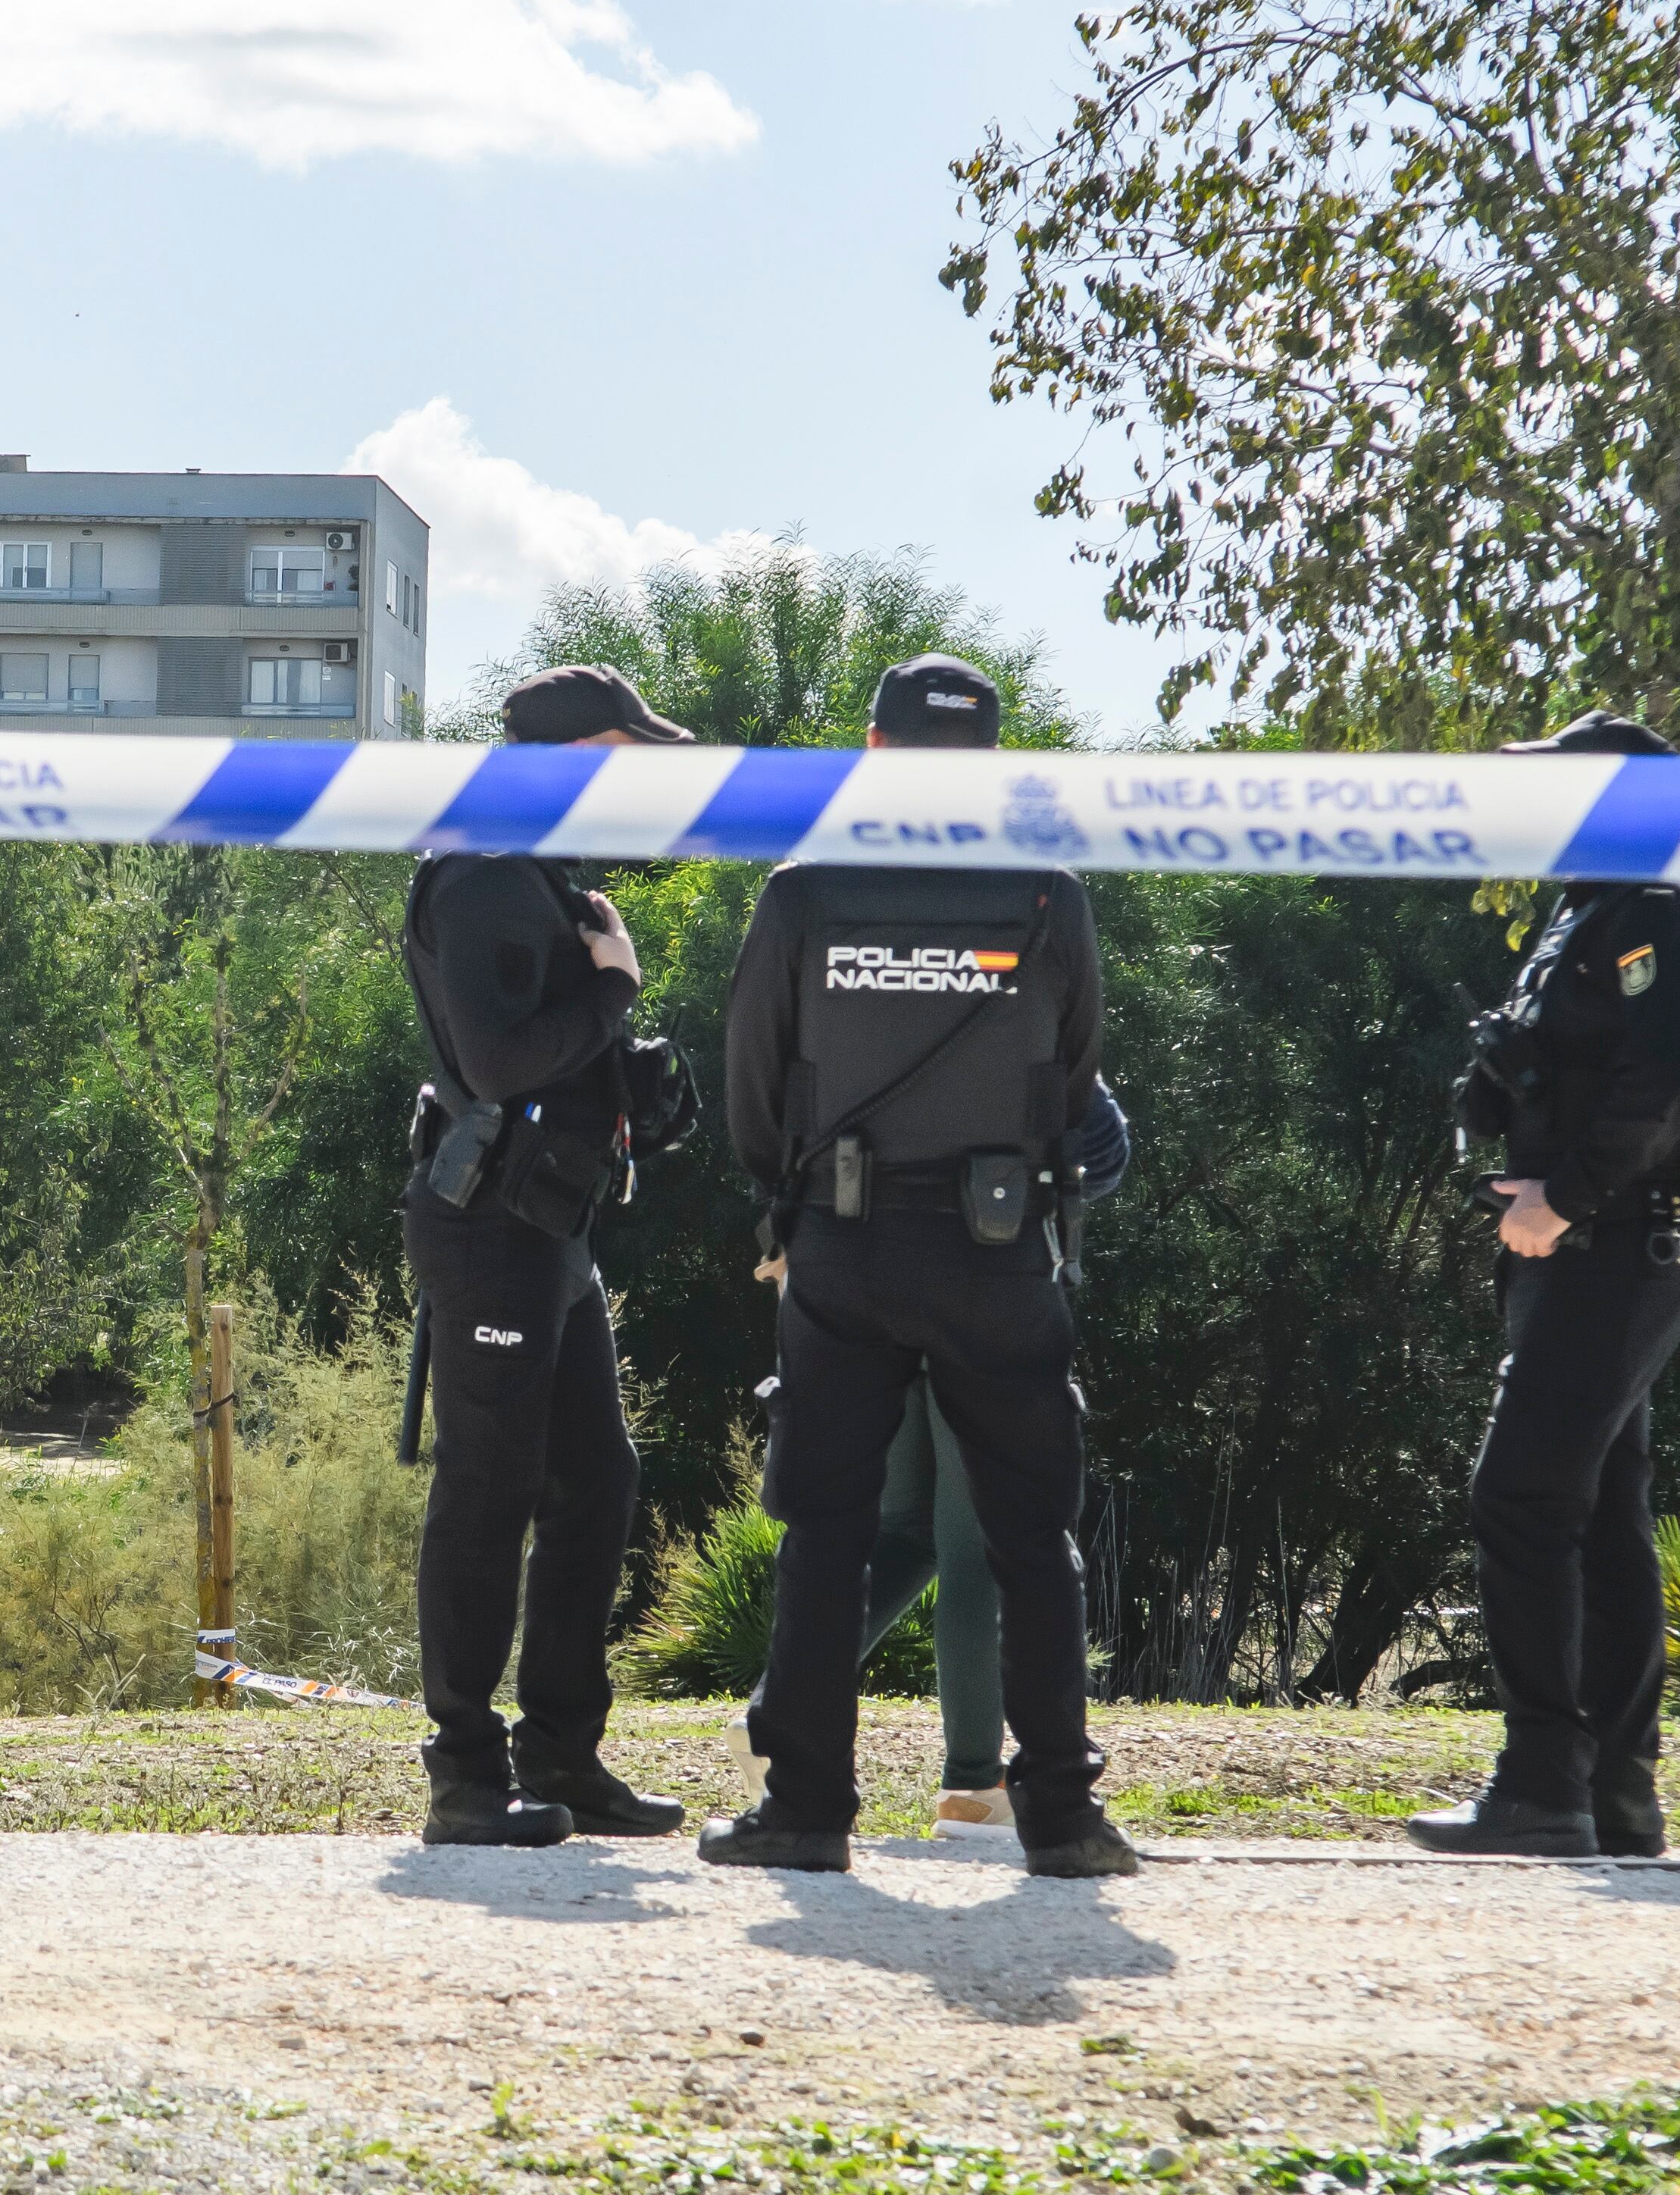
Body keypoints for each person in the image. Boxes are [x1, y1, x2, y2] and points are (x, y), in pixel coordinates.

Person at [702, 652, 1135, 1880]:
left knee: (827, 1530)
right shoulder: (1049, 891)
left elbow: (752, 1075)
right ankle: (1059, 1816)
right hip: (998, 1251)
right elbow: (1076, 1071)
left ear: (877, 752)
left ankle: (805, 1811)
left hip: (843, 1243)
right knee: (1028, 1535)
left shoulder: (804, 889)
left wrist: (783, 1207)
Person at [1409, 711, 1680, 1860]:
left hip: (1613, 1243)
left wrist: (1564, 1197)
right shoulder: (1584, 913)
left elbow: (1658, 1088)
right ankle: (1614, 1792)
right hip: (1572, 1249)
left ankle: (1543, 1780)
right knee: (1597, 1515)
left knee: (1521, 1496)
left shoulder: (1658, 914)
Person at [401, 663, 704, 1848]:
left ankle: (562, 1758)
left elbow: (549, 1048)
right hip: (488, 1227)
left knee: (597, 1479)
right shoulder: (479, 867)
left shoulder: (537, 868)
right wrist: (613, 991)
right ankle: (465, 1780)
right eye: (626, 750)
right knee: (488, 1489)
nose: (638, 773)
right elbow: (492, 1064)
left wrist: (625, 1077)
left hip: (551, 1222)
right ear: (574, 752)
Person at [854, 1082, 1132, 1837]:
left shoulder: (874, 998)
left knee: (908, 1530)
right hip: (988, 1280)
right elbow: (1104, 1155)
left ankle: (775, 1706)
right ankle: (974, 1786)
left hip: (869, 1275)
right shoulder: (1020, 1015)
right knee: (975, 1546)